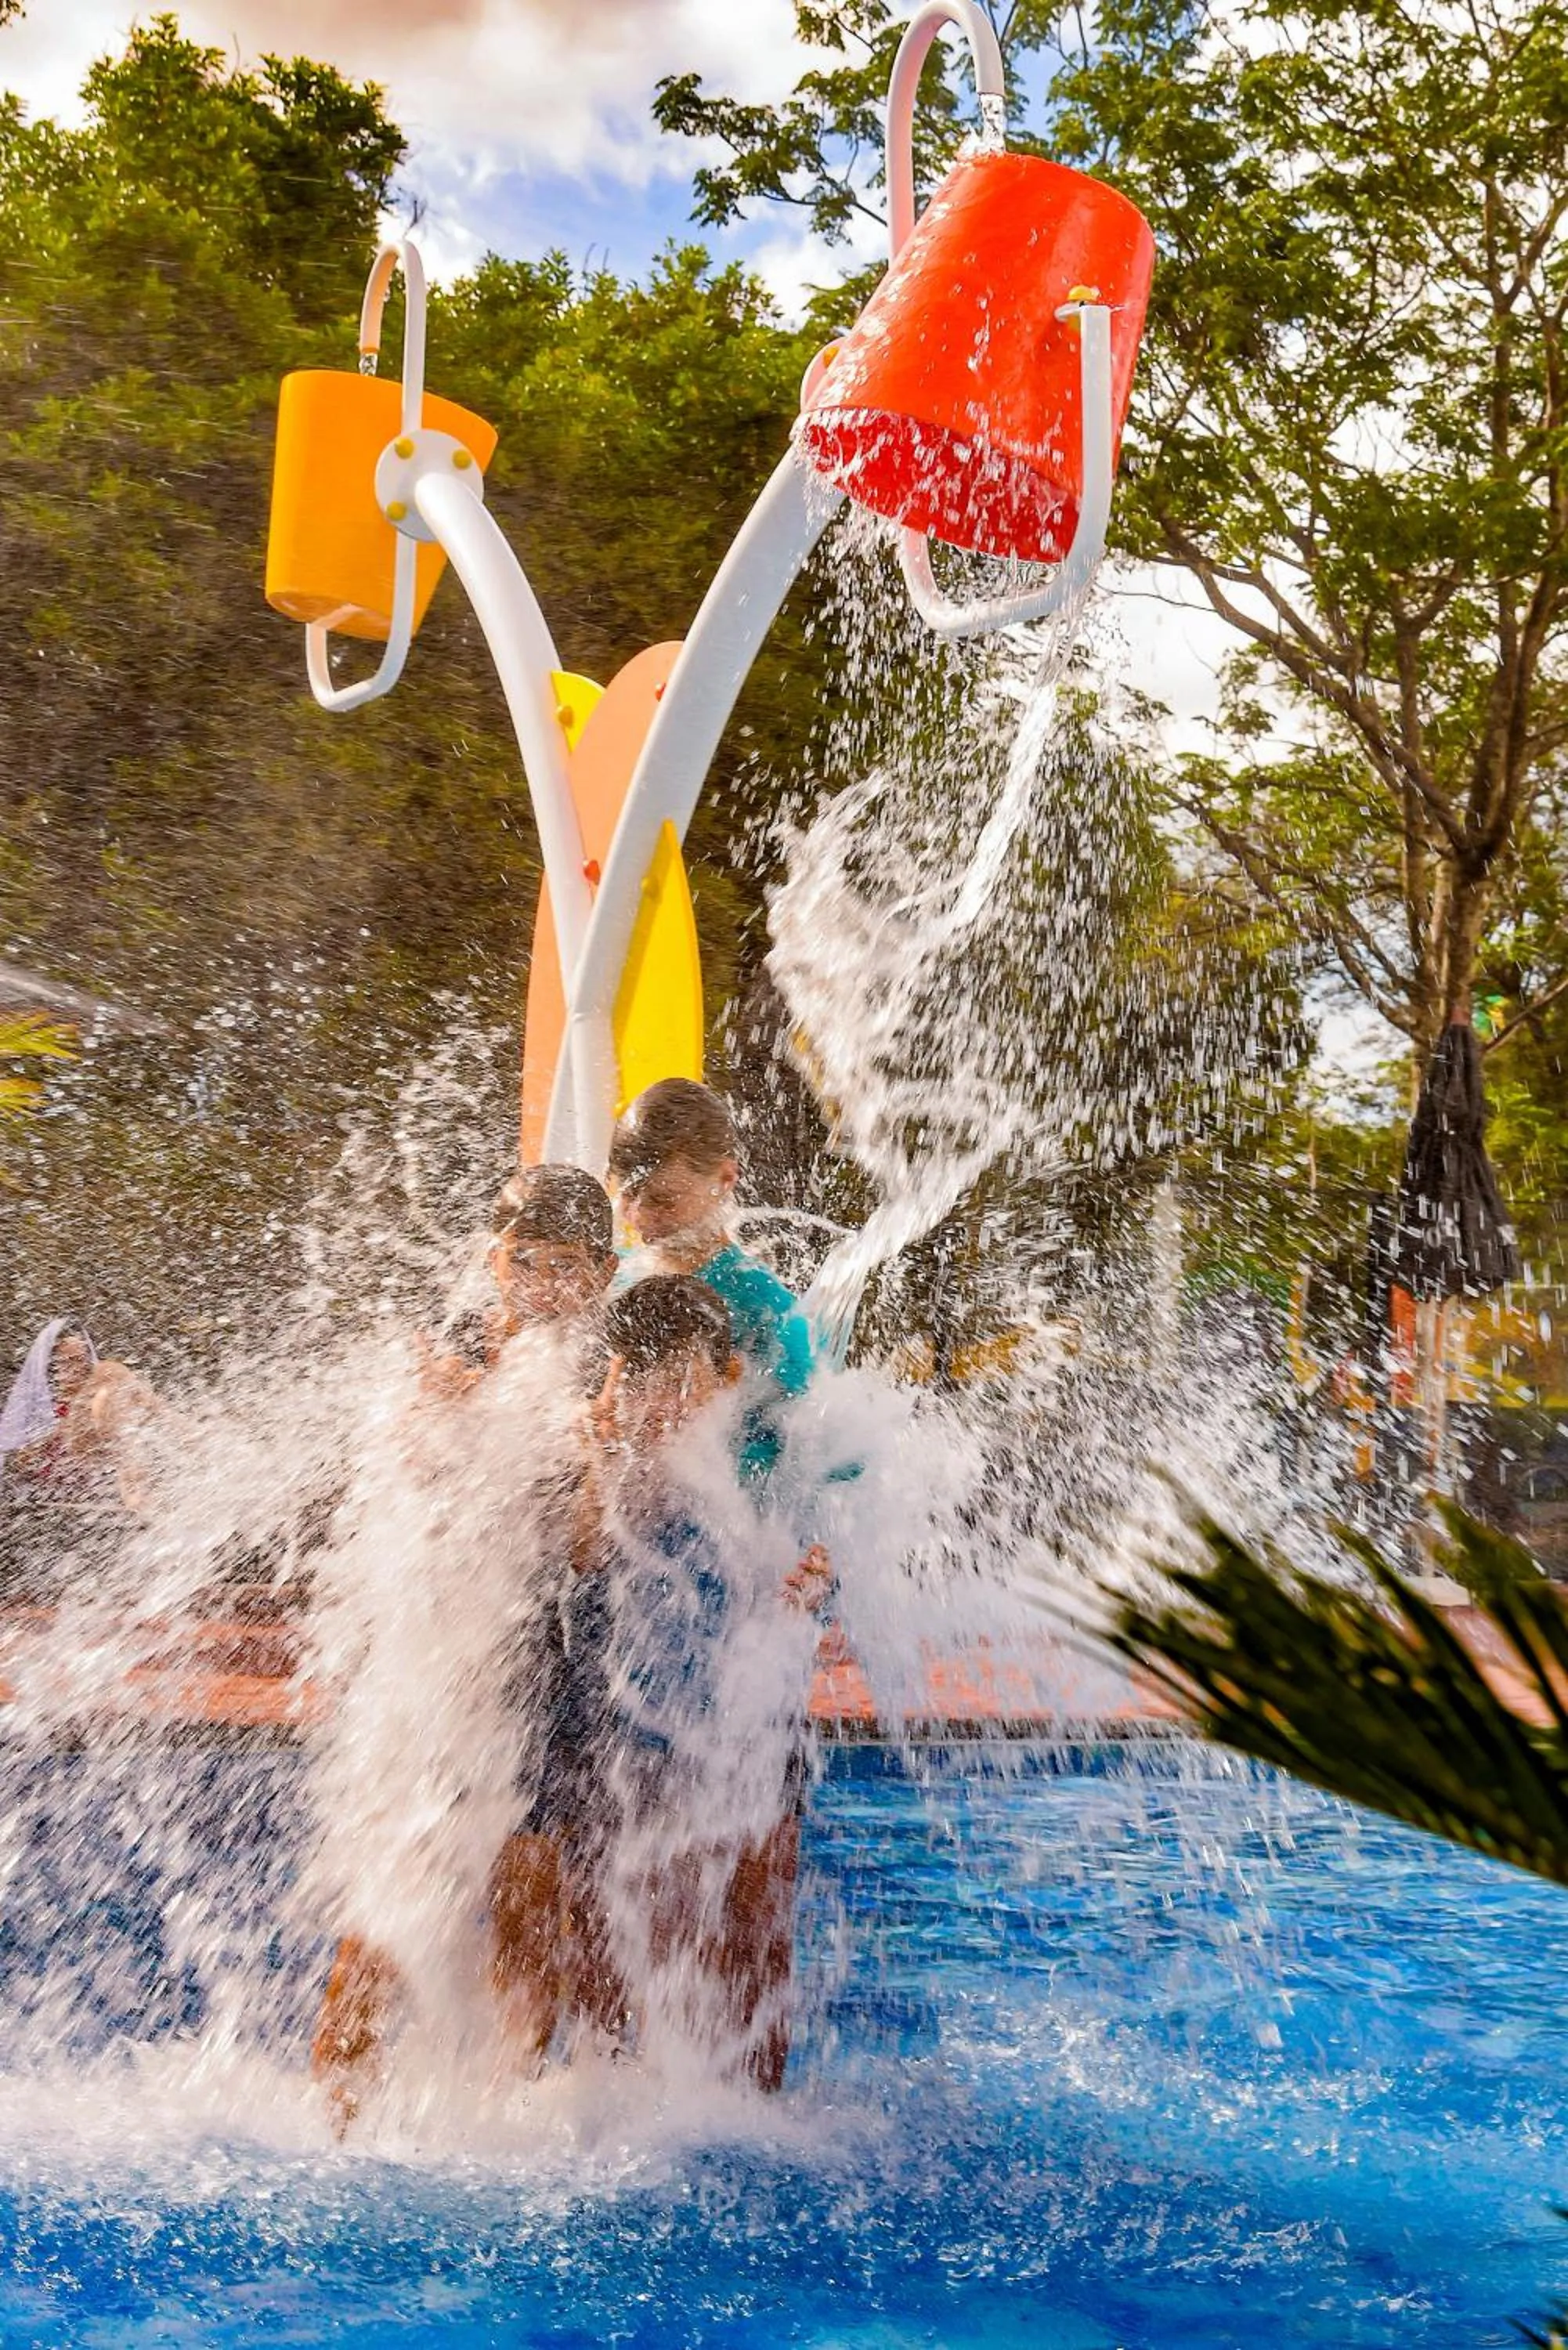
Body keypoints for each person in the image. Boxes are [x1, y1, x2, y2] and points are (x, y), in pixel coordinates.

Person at [310, 1164, 620, 2130]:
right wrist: (443, 1420)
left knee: (531, 1907)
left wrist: (598, 1457)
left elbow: (582, 1548)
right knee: (394, 1901)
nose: (542, 1283)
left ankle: (505, 2112)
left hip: (542, 1664)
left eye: (565, 1266)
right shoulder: (450, 1351)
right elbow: (403, 1496)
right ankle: (338, 2109)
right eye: (523, 1260)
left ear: (602, 1273)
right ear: (494, 1260)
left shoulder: (598, 1377)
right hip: (441, 1672)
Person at [594, 1275, 827, 2092]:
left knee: (760, 1929)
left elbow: (800, 1571)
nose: (665, 1393)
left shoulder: (759, 1463)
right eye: (644, 1372)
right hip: (655, 1729)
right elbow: (592, 1548)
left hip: (761, 1716)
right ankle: (662, 2099)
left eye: (681, 1372)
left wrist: (812, 1585)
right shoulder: (620, 1468)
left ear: (727, 1375)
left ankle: (758, 2107)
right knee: (664, 1926)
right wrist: (623, 1442)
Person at [607, 1079, 818, 1483]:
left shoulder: (767, 1310)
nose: (640, 1218)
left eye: (664, 1200)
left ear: (724, 1179)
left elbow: (799, 1457)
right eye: (628, 1197)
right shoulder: (614, 1276)